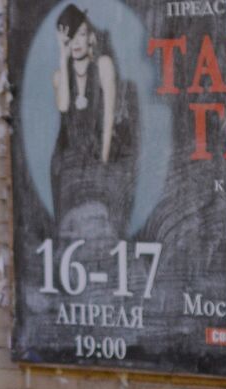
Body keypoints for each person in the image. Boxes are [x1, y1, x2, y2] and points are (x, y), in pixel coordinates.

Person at [49, 3, 134, 235]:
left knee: (106, 206)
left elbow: (108, 118)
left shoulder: (104, 66)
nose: (76, 42)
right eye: (70, 37)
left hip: (100, 148)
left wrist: (103, 160)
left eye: (82, 35)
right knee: (70, 218)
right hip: (69, 154)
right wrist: (61, 57)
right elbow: (64, 106)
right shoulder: (60, 76)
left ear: (91, 39)